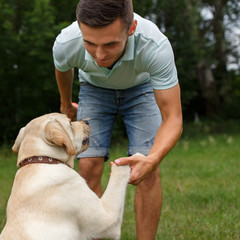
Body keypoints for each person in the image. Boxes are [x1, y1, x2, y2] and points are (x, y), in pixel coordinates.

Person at [52, 0, 183, 239]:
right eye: (90, 43)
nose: (100, 55)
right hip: (94, 87)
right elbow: (63, 67)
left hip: (141, 88)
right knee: (88, 167)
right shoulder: (66, 42)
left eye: (111, 44)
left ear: (130, 29)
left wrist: (153, 159)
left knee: (147, 169)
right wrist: (65, 105)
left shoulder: (155, 46)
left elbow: (173, 117)